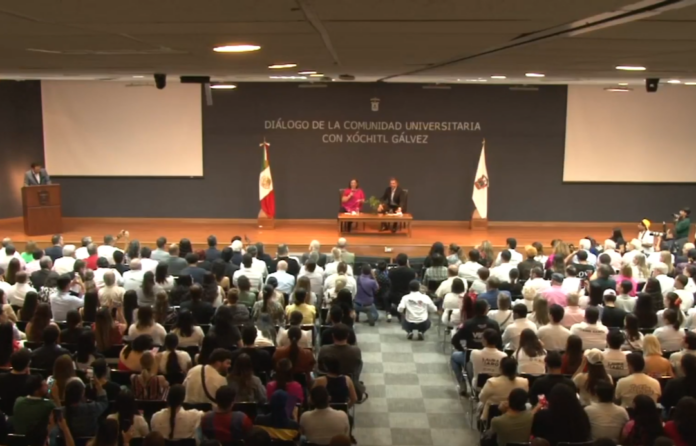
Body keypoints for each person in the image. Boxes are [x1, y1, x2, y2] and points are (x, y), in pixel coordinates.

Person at [317, 324, 365, 400]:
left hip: (326, 382)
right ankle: (355, 383)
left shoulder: (324, 349)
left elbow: (319, 367)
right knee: (360, 363)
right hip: (347, 383)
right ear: (348, 335)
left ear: (333, 336)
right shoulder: (356, 351)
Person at [0, 348, 32, 415]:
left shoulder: (1, 378)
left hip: (5, 413)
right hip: (24, 414)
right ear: (28, 364)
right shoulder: (31, 381)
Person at [387, 253, 416, 322]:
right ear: (407, 261)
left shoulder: (391, 271)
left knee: (386, 297)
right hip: (407, 294)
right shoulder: (411, 272)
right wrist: (408, 265)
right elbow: (415, 276)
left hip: (394, 294)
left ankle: (388, 313)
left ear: (397, 262)